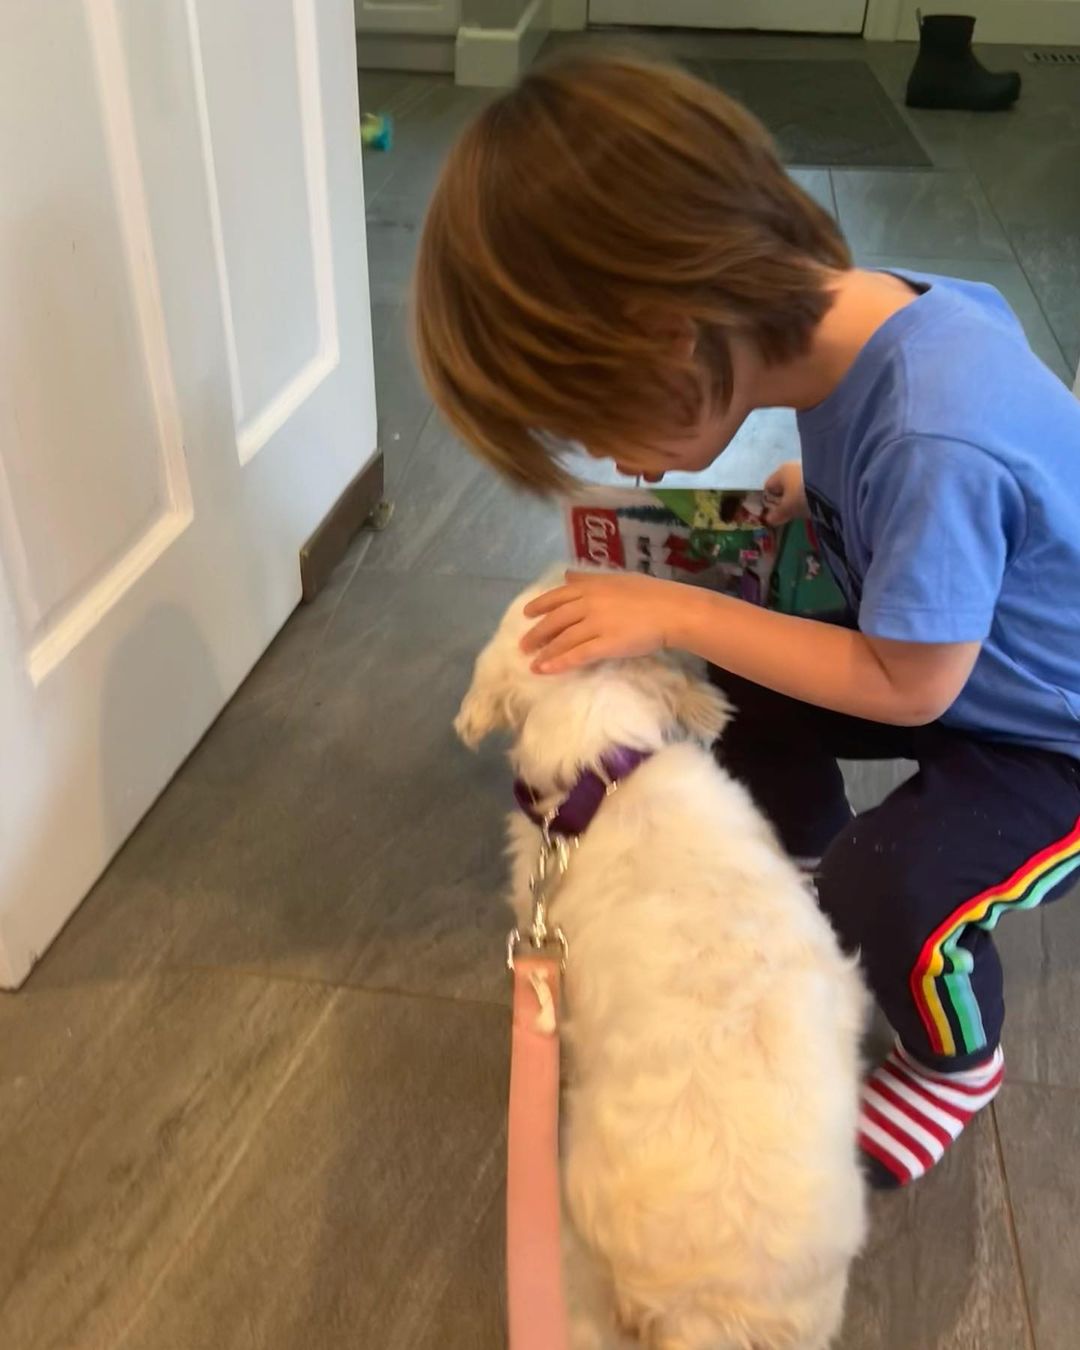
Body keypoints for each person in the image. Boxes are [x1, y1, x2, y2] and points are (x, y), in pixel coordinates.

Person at [413, 52, 1080, 1189]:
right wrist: (800, 494)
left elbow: (911, 683)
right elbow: (917, 515)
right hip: (947, 649)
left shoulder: (934, 435)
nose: (619, 461)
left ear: (673, 344)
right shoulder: (877, 327)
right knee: (733, 663)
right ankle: (800, 862)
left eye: (601, 420)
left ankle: (951, 1061)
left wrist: (674, 603)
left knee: (900, 887)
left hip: (1042, 735)